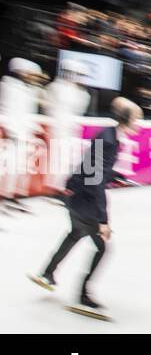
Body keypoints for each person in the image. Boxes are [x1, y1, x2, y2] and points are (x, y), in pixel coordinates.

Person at [29, 96, 142, 319]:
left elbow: (93, 169)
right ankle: (83, 296)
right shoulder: (109, 141)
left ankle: (47, 274)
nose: (140, 123)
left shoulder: (110, 137)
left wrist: (117, 176)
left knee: (75, 234)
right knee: (102, 248)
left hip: (75, 197)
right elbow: (95, 182)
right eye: (138, 118)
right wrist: (102, 221)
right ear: (126, 119)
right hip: (84, 201)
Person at [1, 58, 46, 213]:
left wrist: (33, 127)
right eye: (30, 74)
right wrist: (12, 131)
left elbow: (26, 114)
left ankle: (12, 196)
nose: (33, 77)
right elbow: (9, 111)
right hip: (13, 135)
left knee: (19, 169)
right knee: (9, 168)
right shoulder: (9, 86)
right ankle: (6, 197)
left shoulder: (27, 89)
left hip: (24, 135)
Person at [42, 61, 92, 189]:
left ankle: (65, 185)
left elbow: (80, 109)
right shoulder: (55, 87)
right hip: (58, 127)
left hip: (72, 129)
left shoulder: (82, 93)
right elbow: (48, 107)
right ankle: (56, 186)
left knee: (72, 159)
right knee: (58, 158)